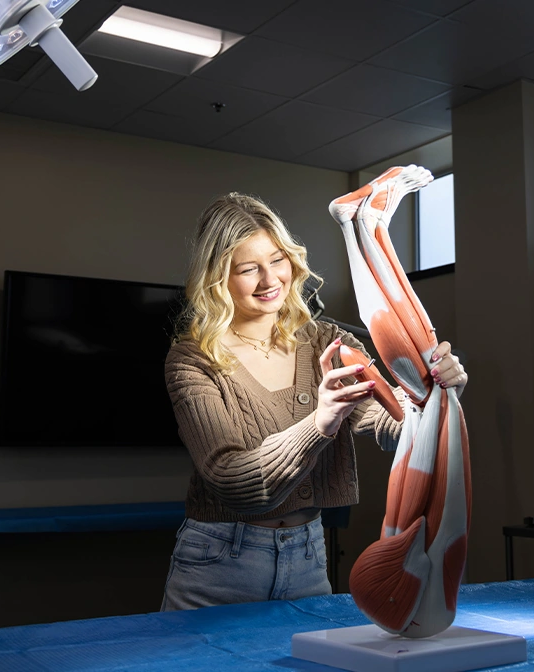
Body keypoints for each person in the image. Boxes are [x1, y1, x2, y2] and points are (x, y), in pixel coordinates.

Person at [160, 192, 467, 611]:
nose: (271, 281)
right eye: (249, 269)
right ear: (218, 278)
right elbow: (231, 480)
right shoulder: (192, 360)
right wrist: (320, 422)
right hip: (217, 564)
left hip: (307, 557)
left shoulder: (326, 342)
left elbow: (393, 426)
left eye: (278, 260)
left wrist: (436, 392)